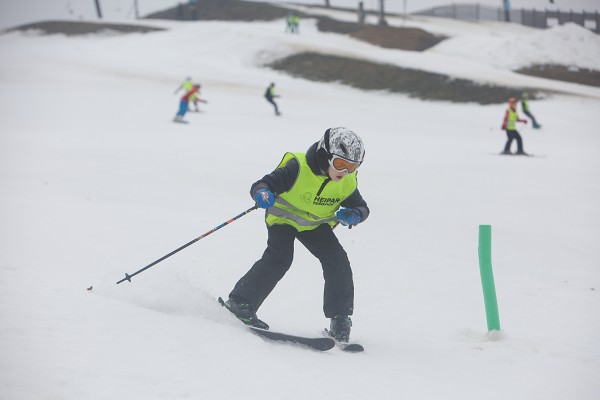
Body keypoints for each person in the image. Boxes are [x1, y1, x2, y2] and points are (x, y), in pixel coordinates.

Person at [221, 127, 369, 343]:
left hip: (314, 225)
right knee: (280, 258)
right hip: (283, 219)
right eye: (340, 164)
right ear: (325, 154)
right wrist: (263, 193)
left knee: (337, 260)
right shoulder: (298, 167)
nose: (345, 172)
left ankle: (340, 320)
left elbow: (362, 207)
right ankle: (240, 303)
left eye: (352, 166)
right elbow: (264, 184)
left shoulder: (347, 181)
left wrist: (355, 215)